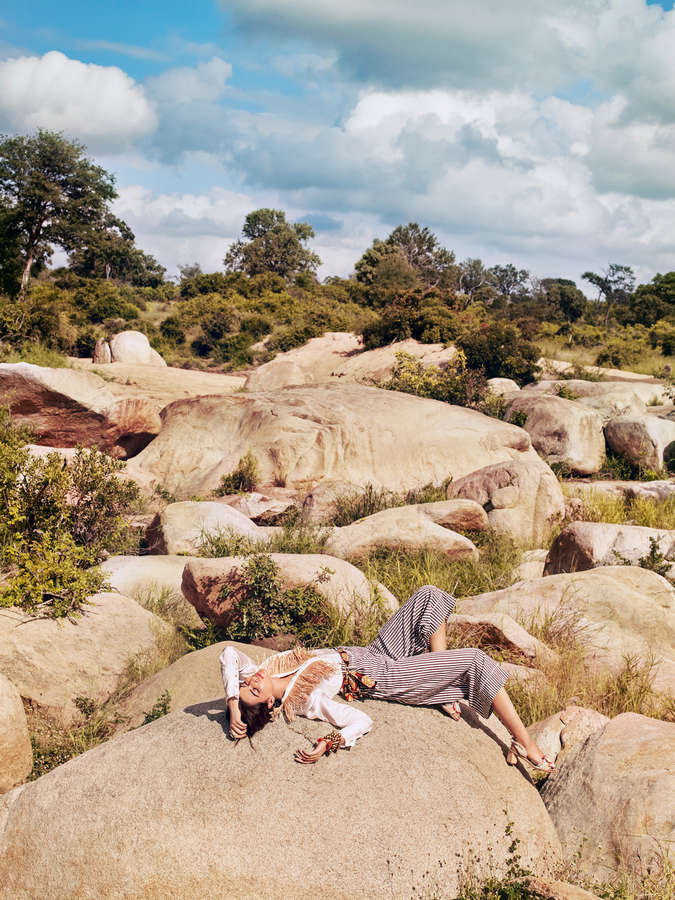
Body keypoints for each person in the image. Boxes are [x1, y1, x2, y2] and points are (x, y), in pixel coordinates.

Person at [220, 584, 555, 771]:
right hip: (383, 675)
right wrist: (331, 742)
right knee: (475, 662)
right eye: (253, 689)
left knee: (429, 596)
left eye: (247, 683)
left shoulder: (274, 666)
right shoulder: (304, 701)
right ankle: (526, 744)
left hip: (372, 651)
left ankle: (440, 681)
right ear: (267, 701)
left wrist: (233, 705)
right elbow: (360, 720)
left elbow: (230, 656)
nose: (253, 680)